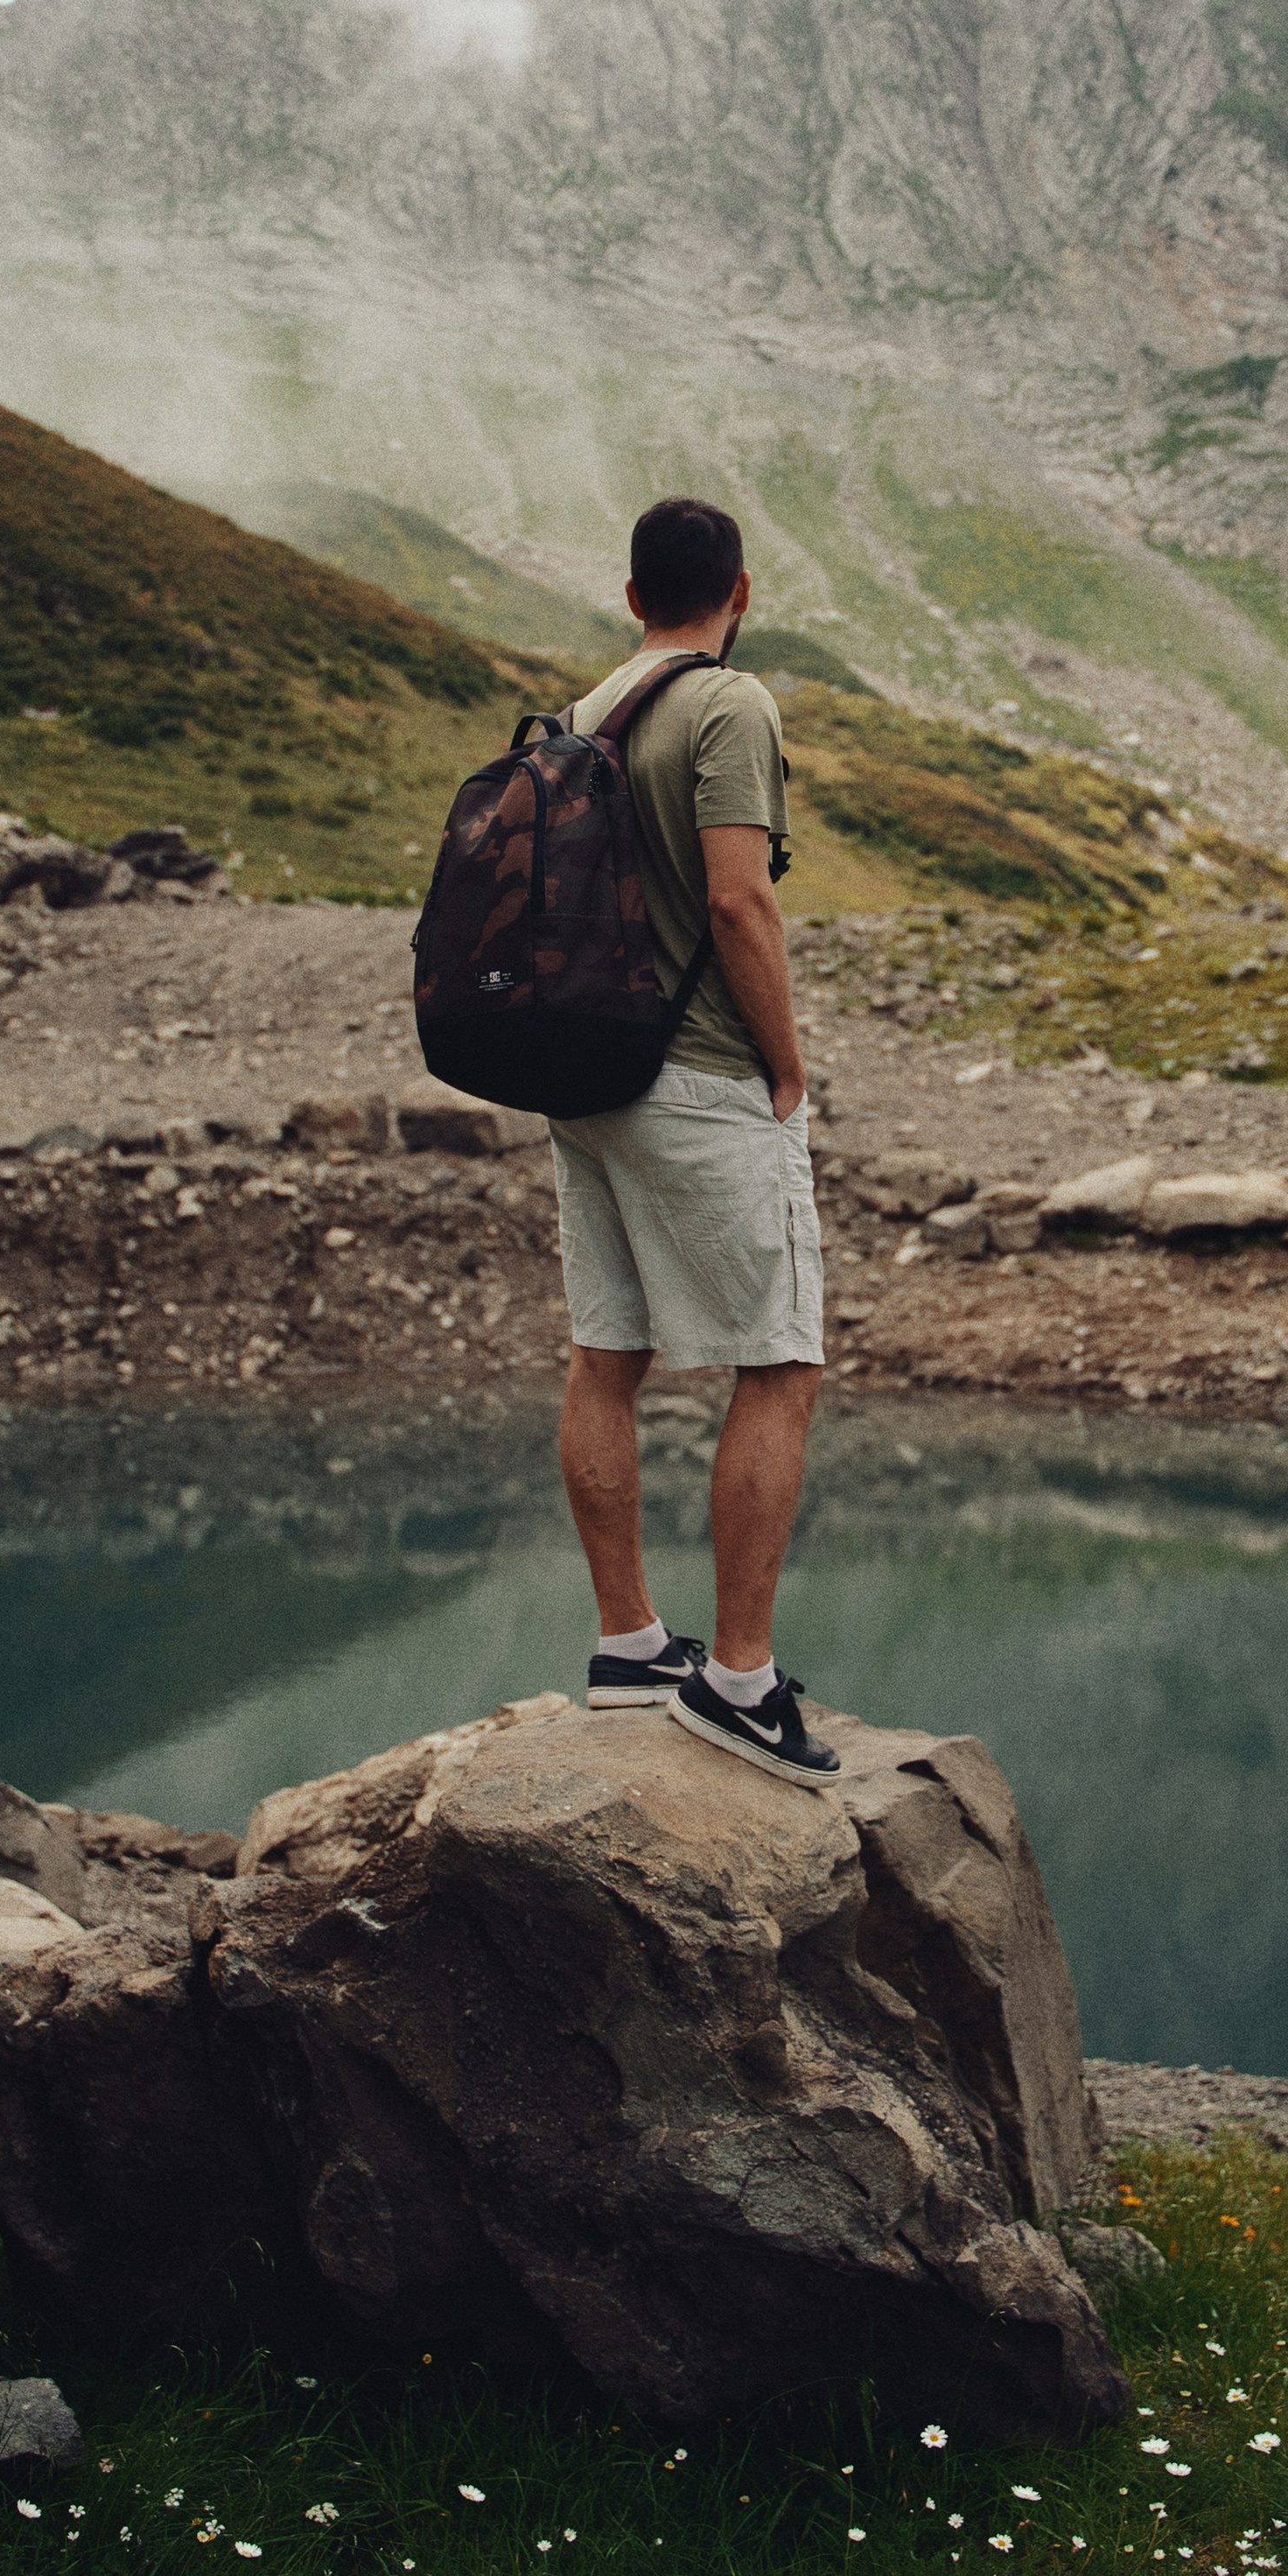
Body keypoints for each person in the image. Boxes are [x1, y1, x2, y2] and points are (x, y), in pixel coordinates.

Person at [552, 495, 837, 1786]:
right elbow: (739, 897)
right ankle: (736, 1676)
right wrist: (785, 1063)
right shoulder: (731, 703)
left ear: (631, 598)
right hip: (702, 1075)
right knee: (776, 1361)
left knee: (608, 1349)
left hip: (589, 1078)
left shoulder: (587, 710)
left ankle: (628, 1643)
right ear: (742, 588)